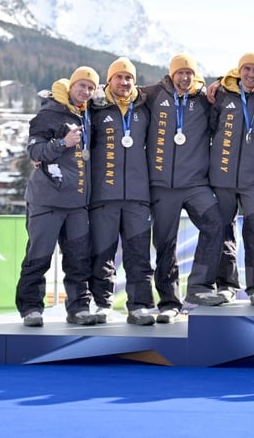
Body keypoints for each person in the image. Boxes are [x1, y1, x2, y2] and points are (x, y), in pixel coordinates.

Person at [141, 53, 226, 323]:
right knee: (165, 245)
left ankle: (199, 287)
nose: (185, 77)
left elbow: (239, 86)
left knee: (215, 225)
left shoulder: (204, 99)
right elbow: (122, 92)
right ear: (171, 74)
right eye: (180, 72)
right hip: (162, 186)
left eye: (189, 73)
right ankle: (169, 301)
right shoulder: (154, 95)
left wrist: (220, 82)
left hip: (195, 184)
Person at [16, 66, 102, 327]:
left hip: (77, 202)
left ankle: (79, 309)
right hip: (47, 200)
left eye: (90, 87)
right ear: (70, 86)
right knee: (39, 256)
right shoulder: (49, 113)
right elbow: (35, 152)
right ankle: (31, 308)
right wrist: (62, 143)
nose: (85, 91)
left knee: (78, 260)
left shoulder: (88, 114)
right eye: (81, 86)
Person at [87, 57, 156, 325]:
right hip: (104, 195)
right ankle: (102, 303)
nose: (124, 82)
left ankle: (139, 306)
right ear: (110, 80)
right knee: (102, 253)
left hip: (138, 196)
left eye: (129, 78)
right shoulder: (95, 108)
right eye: (119, 77)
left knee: (138, 254)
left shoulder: (144, 108)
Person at [209, 52, 254, 305]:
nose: (250, 75)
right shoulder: (223, 95)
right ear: (238, 71)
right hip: (222, 176)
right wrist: (218, 81)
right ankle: (226, 284)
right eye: (246, 69)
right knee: (223, 231)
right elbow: (208, 128)